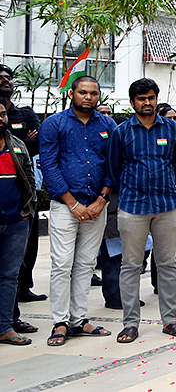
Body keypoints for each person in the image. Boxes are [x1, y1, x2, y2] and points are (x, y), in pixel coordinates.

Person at [106, 77, 176, 343]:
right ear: (132, 103)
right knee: (130, 265)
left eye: (151, 98)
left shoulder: (173, 129)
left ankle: (170, 320)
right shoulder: (121, 132)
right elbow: (114, 168)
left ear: (156, 99)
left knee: (167, 264)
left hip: (167, 204)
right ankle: (130, 323)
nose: (147, 103)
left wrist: (162, 184)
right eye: (141, 99)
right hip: (133, 206)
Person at [39, 75, 116, 346]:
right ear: (72, 93)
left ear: (99, 96)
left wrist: (102, 200)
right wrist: (72, 203)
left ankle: (79, 319)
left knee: (85, 264)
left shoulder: (108, 125)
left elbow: (113, 165)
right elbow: (48, 166)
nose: (88, 97)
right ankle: (60, 321)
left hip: (97, 206)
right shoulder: (54, 124)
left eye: (93, 93)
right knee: (61, 265)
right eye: (83, 92)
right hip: (64, 207)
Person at [0, 65, 44, 314]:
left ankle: (11, 315)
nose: (6, 81)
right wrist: (25, 141)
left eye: (9, 78)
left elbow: (35, 145)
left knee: (17, 264)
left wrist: (21, 142)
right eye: (1, 78)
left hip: (19, 210)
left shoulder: (23, 112)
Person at [0, 98, 37, 345]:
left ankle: (4, 326)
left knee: (9, 276)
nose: (1, 118)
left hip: (16, 222)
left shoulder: (17, 145)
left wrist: (27, 212)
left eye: (2, 113)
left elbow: (30, 181)